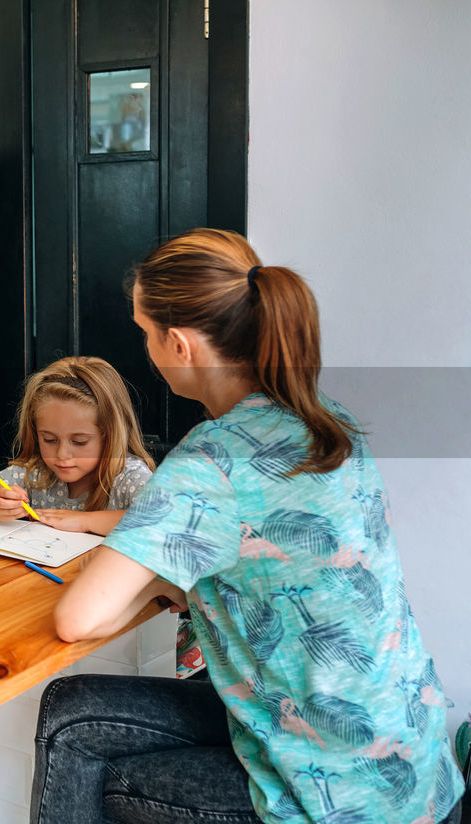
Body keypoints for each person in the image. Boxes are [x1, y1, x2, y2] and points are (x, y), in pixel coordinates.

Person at [33, 229, 464, 824]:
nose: (147, 352)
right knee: (74, 711)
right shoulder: (325, 419)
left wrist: (147, 580)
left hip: (335, 800)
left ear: (179, 344)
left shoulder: (210, 460)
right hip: (420, 769)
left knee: (93, 752)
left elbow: (78, 619)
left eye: (145, 334)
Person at [0, 356, 155, 534]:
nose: (62, 454)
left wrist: (84, 521)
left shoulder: (130, 475)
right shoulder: (37, 474)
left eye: (79, 441)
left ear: (110, 435)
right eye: (49, 439)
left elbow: (165, 522)